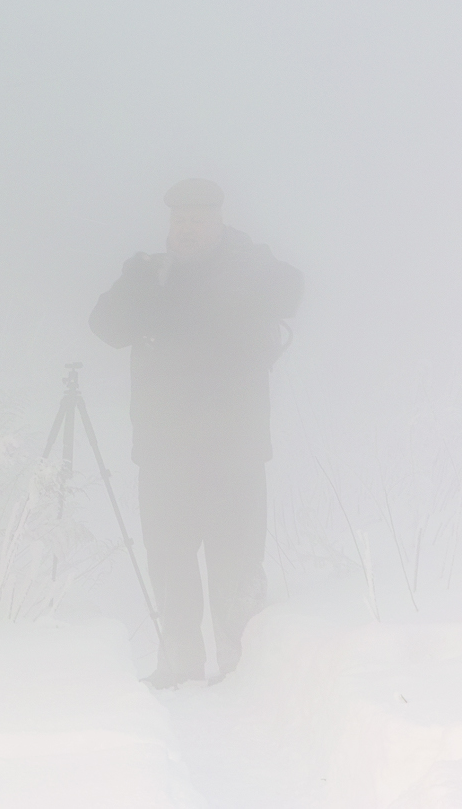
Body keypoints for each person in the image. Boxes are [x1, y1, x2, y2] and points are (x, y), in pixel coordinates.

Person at [89, 178, 302, 688]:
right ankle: (178, 663)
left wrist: (249, 262)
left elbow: (290, 292)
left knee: (237, 561)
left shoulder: (247, 266)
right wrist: (139, 285)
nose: (186, 230)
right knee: (169, 560)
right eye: (179, 221)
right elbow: (106, 327)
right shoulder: (150, 275)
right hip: (164, 449)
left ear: (218, 222)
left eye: (198, 221)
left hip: (236, 450)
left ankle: (241, 665)